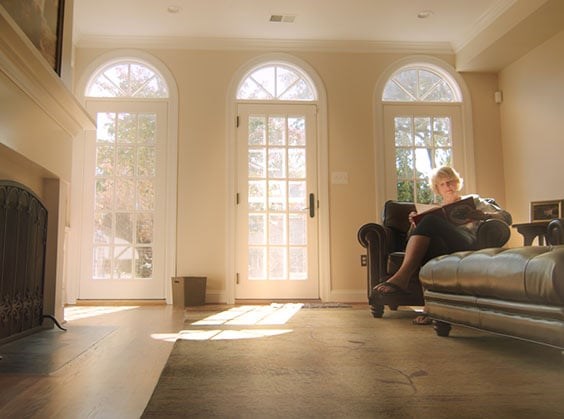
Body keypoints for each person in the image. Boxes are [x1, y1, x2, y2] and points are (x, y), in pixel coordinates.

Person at [373, 166, 510, 325]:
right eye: (443, 184)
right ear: (437, 188)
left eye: (450, 182)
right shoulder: (433, 209)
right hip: (442, 246)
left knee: (430, 220)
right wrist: (414, 223)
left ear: (457, 183)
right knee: (431, 239)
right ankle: (431, 309)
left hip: (467, 241)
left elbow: (507, 217)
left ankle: (402, 277)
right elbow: (411, 239)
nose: (448, 186)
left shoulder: (474, 200)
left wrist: (485, 215)